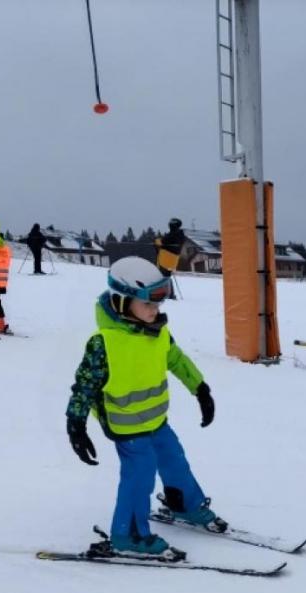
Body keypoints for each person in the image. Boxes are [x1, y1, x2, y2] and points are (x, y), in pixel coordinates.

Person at [65, 256, 221, 557]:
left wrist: (200, 388)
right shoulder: (104, 343)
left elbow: (175, 359)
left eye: (158, 305)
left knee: (174, 459)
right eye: (147, 304)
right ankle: (128, 535)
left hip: (156, 421)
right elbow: (84, 386)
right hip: (126, 427)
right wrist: (76, 425)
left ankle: (184, 506)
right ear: (123, 303)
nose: (155, 311)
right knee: (140, 475)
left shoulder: (157, 331)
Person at [154, 217, 188, 294]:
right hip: (172, 259)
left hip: (166, 259)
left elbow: (163, 241)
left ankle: (168, 293)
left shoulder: (174, 234)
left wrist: (157, 241)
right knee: (166, 276)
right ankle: (169, 293)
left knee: (164, 276)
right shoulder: (180, 235)